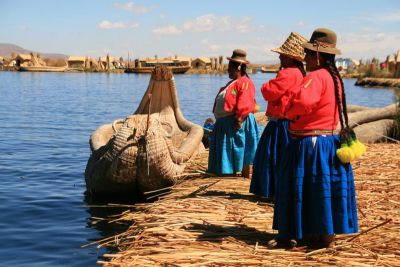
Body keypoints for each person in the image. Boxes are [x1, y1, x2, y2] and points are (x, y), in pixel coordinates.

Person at [271, 28, 358, 248]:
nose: (305, 59)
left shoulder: (316, 77)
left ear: (317, 56)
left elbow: (300, 104)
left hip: (309, 144)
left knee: (301, 188)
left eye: (308, 54)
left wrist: (289, 112)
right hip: (328, 143)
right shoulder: (335, 78)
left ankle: (296, 233)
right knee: (323, 190)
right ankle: (324, 235)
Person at [250, 32, 307, 199]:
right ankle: (282, 191)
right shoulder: (299, 73)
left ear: (291, 57)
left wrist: (267, 84)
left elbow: (268, 91)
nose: (280, 57)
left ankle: (271, 191)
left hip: (281, 124)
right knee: (284, 157)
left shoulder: (288, 73)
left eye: (282, 54)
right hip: (290, 123)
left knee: (271, 157)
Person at [208, 49, 259, 178]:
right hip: (225, 124)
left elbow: (246, 101)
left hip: (235, 123)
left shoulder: (244, 82)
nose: (227, 69)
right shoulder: (232, 83)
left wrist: (240, 119)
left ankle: (239, 172)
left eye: (230, 67)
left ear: (239, 67)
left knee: (238, 147)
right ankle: (227, 171)